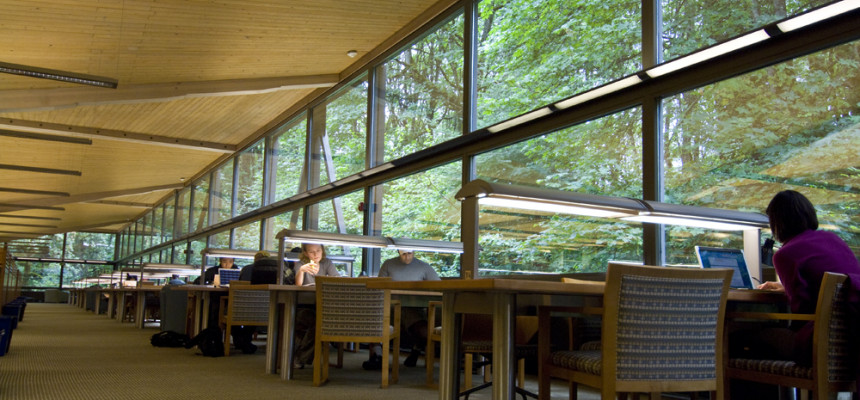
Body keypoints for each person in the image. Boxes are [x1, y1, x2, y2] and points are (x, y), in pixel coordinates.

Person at [731, 190, 860, 398]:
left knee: (738, 338)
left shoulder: (786, 254)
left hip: (816, 345)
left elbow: (801, 310)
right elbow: (834, 288)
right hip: (850, 344)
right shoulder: (834, 240)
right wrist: (784, 288)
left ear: (777, 222)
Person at [364, 250, 440, 370]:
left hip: (413, 308)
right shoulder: (388, 264)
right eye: (404, 254)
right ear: (398, 252)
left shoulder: (424, 267)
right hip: (390, 306)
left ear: (414, 252)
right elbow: (378, 287)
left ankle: (417, 349)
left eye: (409, 253)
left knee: (423, 329)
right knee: (375, 317)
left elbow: (438, 287)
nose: (407, 257)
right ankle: (377, 354)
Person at [292, 243, 340, 368]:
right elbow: (298, 284)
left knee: (319, 321)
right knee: (315, 322)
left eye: (318, 250)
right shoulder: (301, 264)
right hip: (304, 305)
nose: (315, 254)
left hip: (324, 305)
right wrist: (302, 271)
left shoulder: (326, 263)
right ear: (306, 253)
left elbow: (337, 280)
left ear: (322, 250)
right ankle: (300, 358)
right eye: (311, 251)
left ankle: (299, 358)